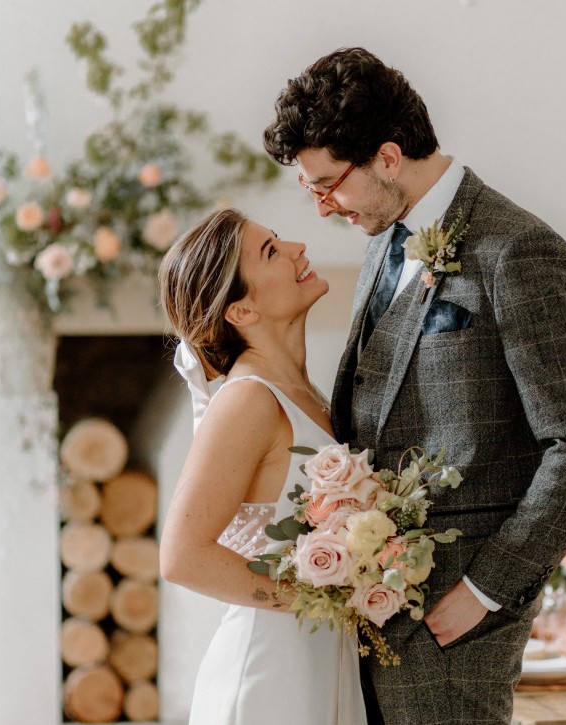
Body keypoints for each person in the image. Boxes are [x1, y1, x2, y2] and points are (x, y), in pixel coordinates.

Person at [263, 48, 566, 725]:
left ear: (388, 155)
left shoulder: (515, 249)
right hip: (371, 615)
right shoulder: (383, 238)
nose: (320, 209)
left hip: (454, 630)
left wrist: (485, 590)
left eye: (327, 184)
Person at [157, 208, 367, 725]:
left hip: (320, 658)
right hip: (272, 674)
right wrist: (321, 599)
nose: (298, 246)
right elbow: (181, 556)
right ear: (241, 311)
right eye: (271, 251)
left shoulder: (310, 393)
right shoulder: (247, 400)